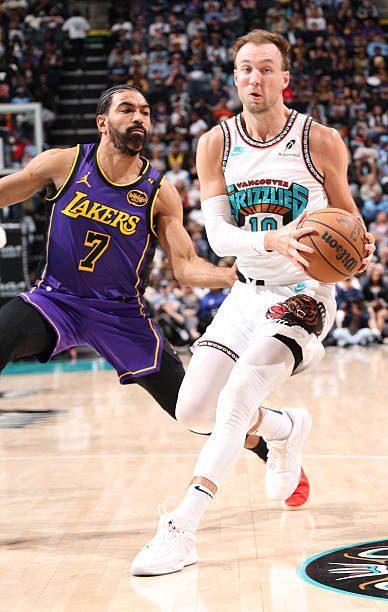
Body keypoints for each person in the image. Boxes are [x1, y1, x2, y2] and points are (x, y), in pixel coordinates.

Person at [131, 30, 375, 576]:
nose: (254, 78)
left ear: (285, 78)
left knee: (239, 394)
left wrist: (360, 247)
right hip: (245, 294)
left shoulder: (320, 140)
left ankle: (181, 528)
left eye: (266, 68)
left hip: (303, 295)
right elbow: (218, 236)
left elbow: (349, 220)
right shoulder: (215, 143)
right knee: (194, 409)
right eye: (245, 68)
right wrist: (270, 240)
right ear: (234, 76)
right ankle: (285, 428)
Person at [0, 85, 284, 473]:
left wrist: (231, 275)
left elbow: (185, 266)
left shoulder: (159, 192)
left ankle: (268, 445)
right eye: (127, 109)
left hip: (120, 315)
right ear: (102, 122)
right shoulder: (64, 163)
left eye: (145, 112)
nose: (139, 117)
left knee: (191, 408)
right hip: (56, 301)